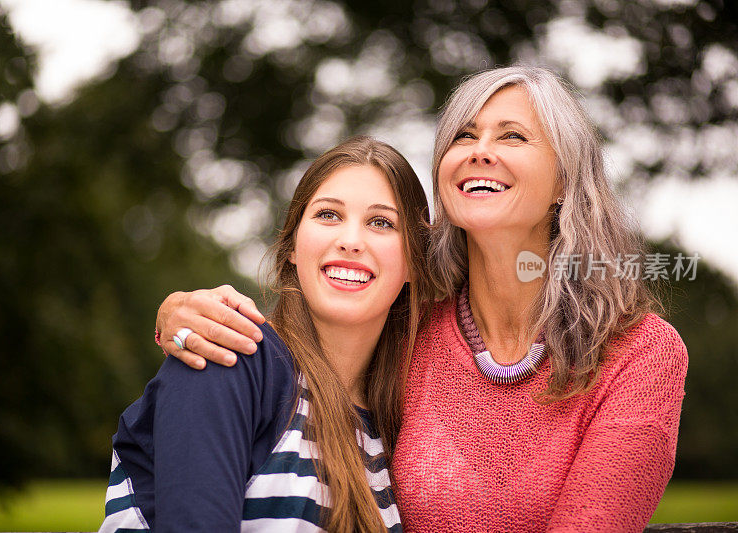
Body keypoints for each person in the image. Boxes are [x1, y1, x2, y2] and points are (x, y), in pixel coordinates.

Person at [155, 66, 688, 532]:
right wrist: (177, 313)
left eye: (513, 136)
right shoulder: (408, 329)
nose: (481, 151)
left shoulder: (640, 354)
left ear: (565, 182)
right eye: (464, 134)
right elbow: (308, 341)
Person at [99, 136, 433, 532]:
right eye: (328, 215)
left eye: (381, 222)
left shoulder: (400, 422)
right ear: (292, 244)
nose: (350, 241)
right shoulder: (230, 353)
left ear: (415, 259)